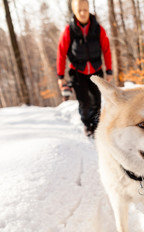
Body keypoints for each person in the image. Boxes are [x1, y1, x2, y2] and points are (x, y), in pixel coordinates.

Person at [57, 0, 112, 138]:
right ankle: (88, 125)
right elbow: (61, 53)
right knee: (85, 102)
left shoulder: (98, 28)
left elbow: (106, 50)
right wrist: (60, 76)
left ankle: (97, 125)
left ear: (89, 10)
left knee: (97, 100)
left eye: (85, 10)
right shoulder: (69, 30)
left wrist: (109, 70)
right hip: (77, 72)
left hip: (96, 70)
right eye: (79, 10)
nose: (82, 13)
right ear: (74, 12)